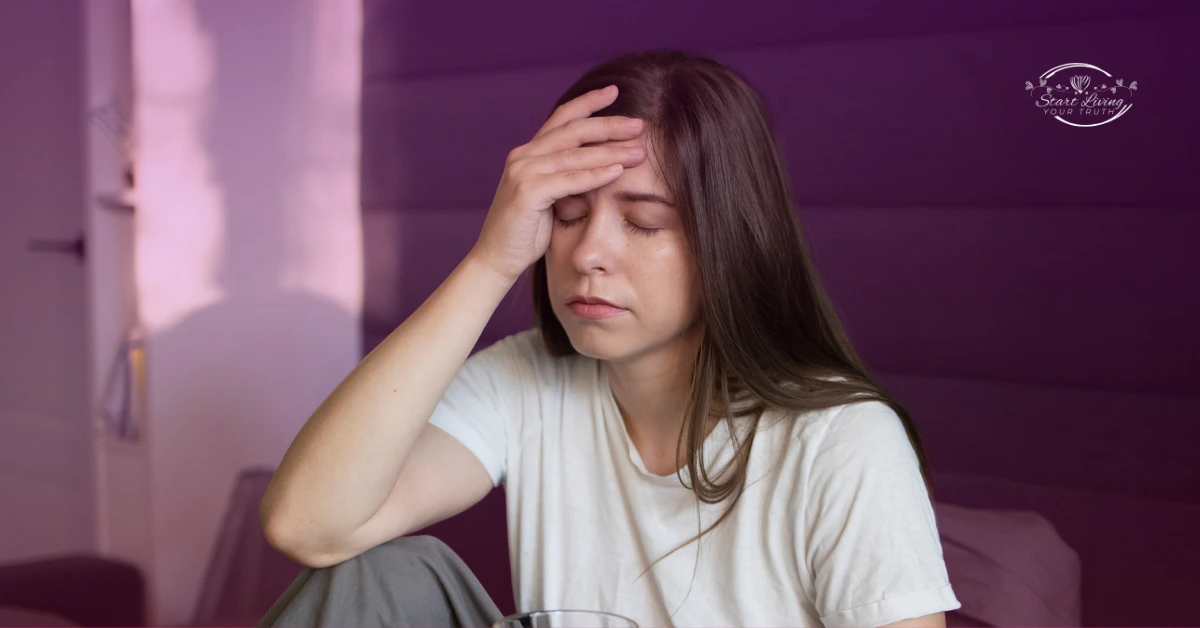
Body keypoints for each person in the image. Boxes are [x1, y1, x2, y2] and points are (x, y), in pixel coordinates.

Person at [257, 49, 961, 627]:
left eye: (644, 222)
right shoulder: (524, 380)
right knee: (381, 574)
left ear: (729, 244)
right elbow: (308, 525)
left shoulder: (841, 438)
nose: (590, 251)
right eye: (566, 213)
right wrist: (490, 261)